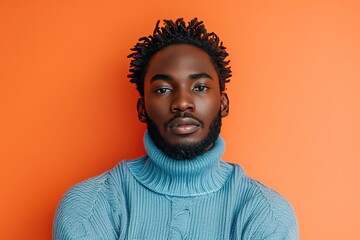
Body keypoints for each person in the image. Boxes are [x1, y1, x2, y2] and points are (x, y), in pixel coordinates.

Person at [53, 18, 299, 240]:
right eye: (163, 90)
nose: (182, 102)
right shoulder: (90, 208)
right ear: (142, 109)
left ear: (223, 104)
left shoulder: (267, 212)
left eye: (200, 87)